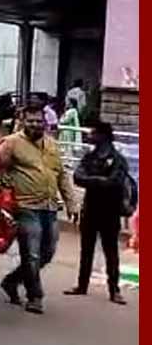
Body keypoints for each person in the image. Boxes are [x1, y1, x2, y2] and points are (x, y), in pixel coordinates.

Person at [0, 103, 76, 314]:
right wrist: (4, 186)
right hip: (25, 206)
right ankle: (35, 296)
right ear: (23, 121)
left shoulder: (52, 145)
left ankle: (12, 281)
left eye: (39, 121)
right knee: (31, 254)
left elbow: (62, 176)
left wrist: (72, 203)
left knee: (47, 253)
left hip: (50, 207)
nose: (35, 125)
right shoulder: (11, 143)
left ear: (45, 122)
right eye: (31, 121)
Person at [65, 121, 131, 306]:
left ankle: (114, 290)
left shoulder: (118, 159)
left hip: (110, 212)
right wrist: (101, 180)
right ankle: (81, 285)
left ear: (103, 136)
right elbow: (78, 177)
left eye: (93, 133)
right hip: (91, 209)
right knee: (86, 250)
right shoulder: (89, 157)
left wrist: (93, 181)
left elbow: (115, 182)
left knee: (111, 252)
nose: (89, 136)